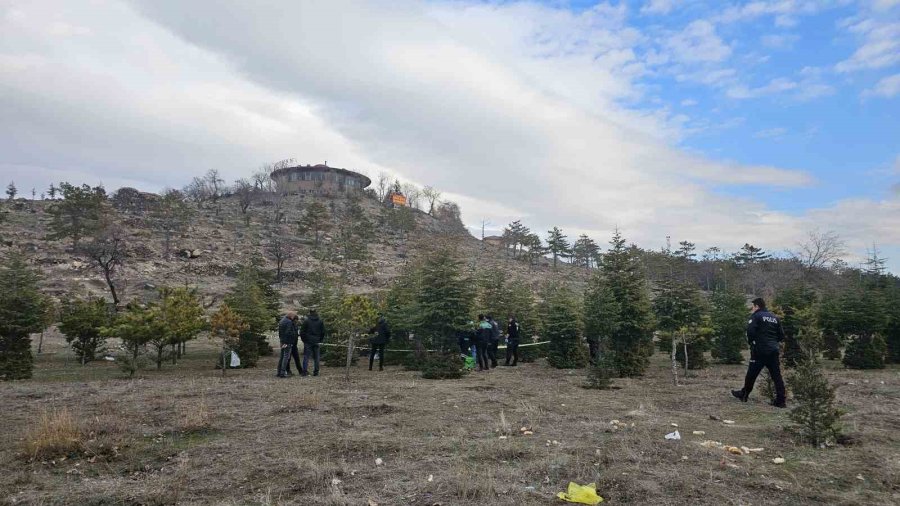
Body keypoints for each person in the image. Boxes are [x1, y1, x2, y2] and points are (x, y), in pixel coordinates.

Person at [732, 297, 787, 408]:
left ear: (757, 306)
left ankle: (744, 394)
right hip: (773, 351)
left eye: (752, 307)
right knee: (777, 376)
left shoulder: (756, 316)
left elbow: (750, 331)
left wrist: (752, 342)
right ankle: (781, 401)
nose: (752, 309)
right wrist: (773, 343)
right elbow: (781, 336)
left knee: (751, 374)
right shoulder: (775, 318)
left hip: (760, 351)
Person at [300, 308, 326, 377]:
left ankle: (304, 371)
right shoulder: (320, 321)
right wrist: (320, 340)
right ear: (316, 312)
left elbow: (302, 332)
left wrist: (304, 340)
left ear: (310, 312)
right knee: (316, 357)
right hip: (316, 341)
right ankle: (316, 372)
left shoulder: (306, 321)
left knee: (306, 356)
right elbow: (323, 332)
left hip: (308, 341)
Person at [276, 311, 299, 378]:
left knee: (282, 357)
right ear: (291, 316)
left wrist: (282, 341)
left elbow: (280, 332)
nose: (293, 318)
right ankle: (282, 373)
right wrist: (287, 342)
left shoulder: (282, 321)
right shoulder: (289, 322)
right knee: (286, 357)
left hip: (283, 341)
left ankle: (279, 372)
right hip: (287, 342)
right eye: (293, 317)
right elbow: (288, 332)